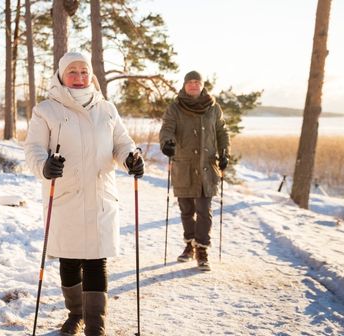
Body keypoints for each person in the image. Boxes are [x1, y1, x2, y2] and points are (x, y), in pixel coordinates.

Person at [24, 51, 143, 335]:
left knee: (96, 259)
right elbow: (33, 149)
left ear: (91, 75)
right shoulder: (46, 110)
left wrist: (131, 157)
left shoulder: (107, 109)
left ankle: (95, 325)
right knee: (69, 258)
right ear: (61, 75)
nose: (79, 77)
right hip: (66, 196)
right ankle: (75, 313)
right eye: (72, 72)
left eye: (84, 71)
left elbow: (122, 143)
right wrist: (45, 165)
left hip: (101, 195)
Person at [159, 70, 230, 272]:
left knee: (204, 211)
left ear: (202, 85)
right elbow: (167, 128)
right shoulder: (175, 107)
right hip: (184, 166)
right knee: (187, 210)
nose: (193, 85)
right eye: (189, 82)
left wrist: (225, 153)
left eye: (196, 82)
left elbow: (222, 131)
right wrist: (167, 143)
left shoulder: (213, 107)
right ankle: (189, 244)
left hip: (207, 167)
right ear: (184, 85)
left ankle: (202, 249)